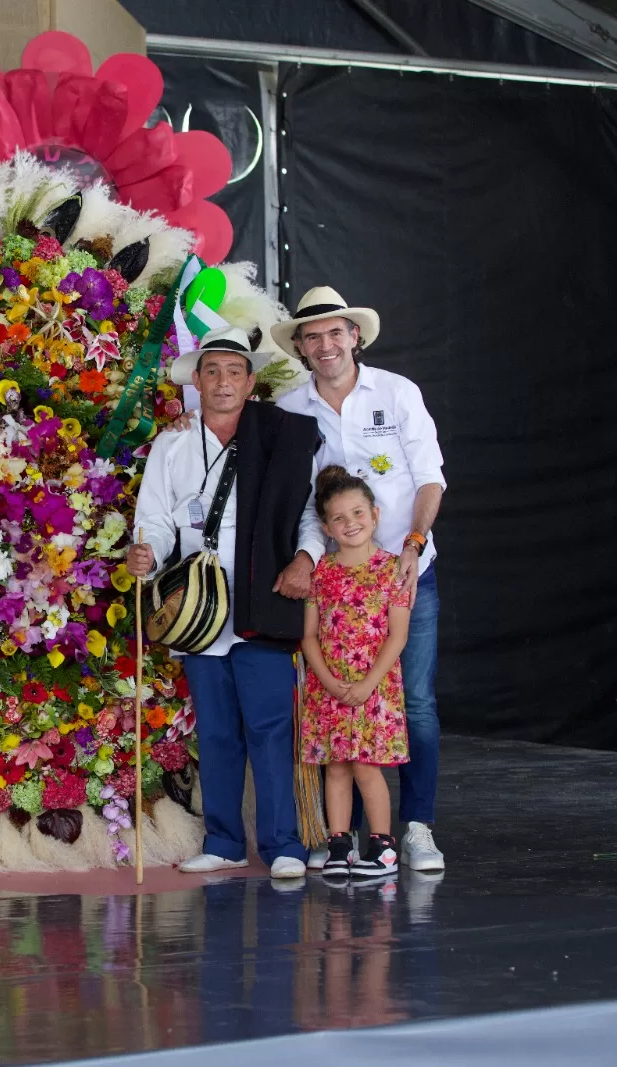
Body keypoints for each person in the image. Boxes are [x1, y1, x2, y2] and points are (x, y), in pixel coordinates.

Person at [129, 326, 322, 878]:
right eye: (212, 370)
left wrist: (306, 558)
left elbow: (307, 512)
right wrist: (146, 551)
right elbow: (157, 518)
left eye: (234, 371)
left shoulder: (281, 435)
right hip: (196, 603)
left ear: (251, 381)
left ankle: (284, 845)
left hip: (263, 593)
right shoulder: (172, 443)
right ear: (196, 378)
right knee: (214, 730)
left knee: (269, 726)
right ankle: (224, 841)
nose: (222, 381)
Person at [272, 287, 448, 873]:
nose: (326, 345)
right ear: (300, 347)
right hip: (339, 589)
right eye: (313, 336)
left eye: (335, 332)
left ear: (355, 336)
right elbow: (303, 502)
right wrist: (305, 556)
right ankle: (341, 835)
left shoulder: (397, 393)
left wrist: (413, 544)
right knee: (337, 709)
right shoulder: (293, 409)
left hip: (403, 575)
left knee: (415, 702)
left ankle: (415, 828)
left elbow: (430, 479)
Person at [301, 465, 412, 878]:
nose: (351, 524)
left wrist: (366, 684)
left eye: (358, 513)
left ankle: (383, 849)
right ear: (327, 528)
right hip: (328, 686)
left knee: (366, 765)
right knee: (337, 766)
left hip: (374, 687)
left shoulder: (393, 571)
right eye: (339, 518)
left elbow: (397, 637)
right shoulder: (322, 573)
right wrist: (330, 682)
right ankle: (339, 844)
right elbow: (309, 636)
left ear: (376, 515)